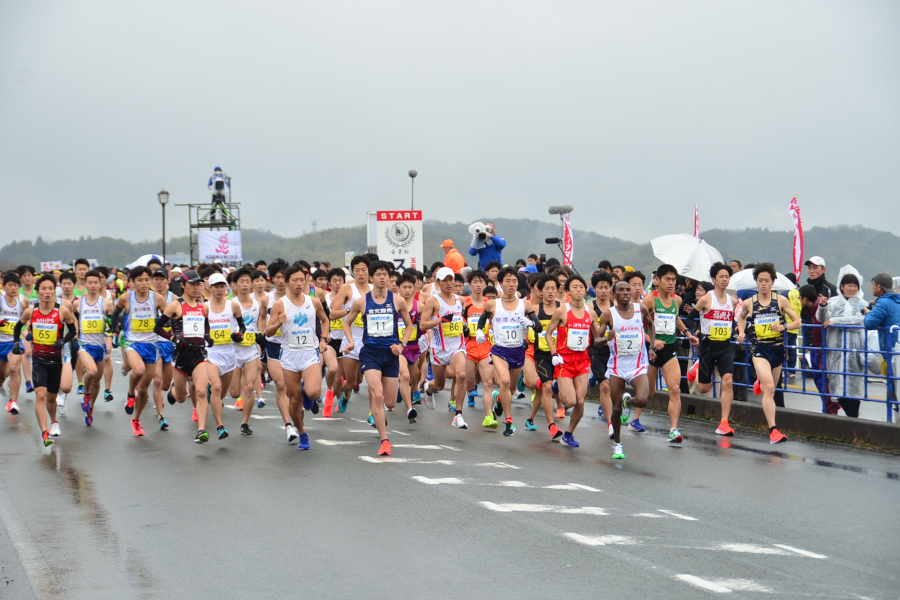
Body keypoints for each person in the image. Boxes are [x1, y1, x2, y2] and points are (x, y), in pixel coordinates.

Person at [343, 261, 413, 456]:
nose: (383, 278)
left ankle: (381, 415)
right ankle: (384, 440)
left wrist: (402, 345)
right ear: (371, 278)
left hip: (390, 354)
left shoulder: (397, 300)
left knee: (390, 403)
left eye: (385, 274)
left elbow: (409, 326)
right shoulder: (361, 301)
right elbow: (347, 324)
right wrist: (350, 342)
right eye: (379, 274)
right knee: (377, 394)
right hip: (370, 353)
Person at [265, 265, 329, 451]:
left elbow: (325, 320)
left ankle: (306, 391)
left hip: (309, 353)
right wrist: (278, 322)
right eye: (295, 280)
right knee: (293, 401)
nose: (300, 283)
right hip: (289, 355)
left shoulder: (313, 302)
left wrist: (323, 338)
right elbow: (268, 332)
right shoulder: (280, 304)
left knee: (314, 393)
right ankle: (302, 432)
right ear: (287, 282)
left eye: (302, 279)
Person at [737, 263, 801, 444]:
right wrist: (741, 333)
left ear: (773, 282)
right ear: (756, 282)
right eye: (760, 280)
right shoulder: (750, 302)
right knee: (770, 388)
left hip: (777, 349)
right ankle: (773, 430)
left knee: (770, 389)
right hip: (759, 349)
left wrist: (784, 326)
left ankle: (760, 380)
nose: (763, 283)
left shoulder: (781, 300)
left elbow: (798, 322)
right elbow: (741, 317)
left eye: (766, 280)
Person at [12, 274, 78, 446]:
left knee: (51, 398)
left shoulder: (62, 311)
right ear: (38, 291)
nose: (47, 292)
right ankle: (44, 432)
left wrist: (63, 341)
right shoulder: (31, 311)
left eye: (51, 288)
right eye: (43, 288)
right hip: (39, 361)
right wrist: (17, 342)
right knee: (40, 395)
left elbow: (72, 331)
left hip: (57, 360)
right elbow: (18, 326)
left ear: (54, 291)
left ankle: (54, 421)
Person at [476, 267, 541, 437]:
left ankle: (499, 399)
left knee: (510, 390)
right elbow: (482, 320)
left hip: (518, 351)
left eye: (514, 281)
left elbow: (539, 327)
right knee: (504, 381)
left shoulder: (525, 304)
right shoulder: (492, 304)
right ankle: (509, 421)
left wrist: (529, 323)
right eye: (508, 281)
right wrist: (479, 332)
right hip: (499, 350)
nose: (511, 284)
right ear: (501, 284)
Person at [596, 281, 655, 460]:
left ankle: (628, 402)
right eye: (621, 290)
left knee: (643, 400)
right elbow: (596, 341)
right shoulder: (609, 315)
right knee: (615, 409)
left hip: (638, 365)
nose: (626, 292)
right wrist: (607, 337)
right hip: (618, 367)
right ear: (614, 295)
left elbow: (651, 326)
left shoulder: (641, 309)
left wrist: (651, 346)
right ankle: (617, 444)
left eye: (628, 289)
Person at [110, 266, 168, 436]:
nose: (144, 283)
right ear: (132, 282)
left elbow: (168, 318)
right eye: (140, 280)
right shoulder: (126, 298)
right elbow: (114, 315)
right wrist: (114, 331)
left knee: (144, 390)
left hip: (152, 345)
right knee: (139, 370)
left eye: (146, 279)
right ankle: (130, 393)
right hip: (133, 344)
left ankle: (136, 419)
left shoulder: (157, 299)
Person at [643, 264, 696, 444]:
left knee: (674, 389)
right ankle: (630, 402)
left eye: (674, 279)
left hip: (669, 349)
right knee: (648, 394)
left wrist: (688, 334)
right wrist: (652, 341)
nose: (671, 283)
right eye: (668, 279)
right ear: (657, 280)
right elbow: (636, 327)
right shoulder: (649, 301)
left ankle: (673, 430)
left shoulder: (677, 300)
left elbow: (675, 318)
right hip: (651, 351)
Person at [544, 275, 597, 447]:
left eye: (581, 287)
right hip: (564, 361)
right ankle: (556, 386)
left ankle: (568, 434)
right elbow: (548, 333)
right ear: (568, 291)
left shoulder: (591, 313)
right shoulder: (561, 311)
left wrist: (609, 338)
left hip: (582, 361)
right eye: (574, 287)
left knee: (580, 402)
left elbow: (597, 338)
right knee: (571, 402)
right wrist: (553, 353)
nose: (579, 290)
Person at [689, 262, 738, 435]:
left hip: (725, 346)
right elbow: (690, 318)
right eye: (721, 277)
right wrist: (697, 333)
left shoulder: (732, 301)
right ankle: (695, 370)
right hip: (708, 346)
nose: (725, 280)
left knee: (728, 381)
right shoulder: (706, 299)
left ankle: (724, 422)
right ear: (714, 279)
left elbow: (734, 321)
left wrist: (736, 331)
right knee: (704, 388)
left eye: (727, 277)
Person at [421, 267, 469, 428]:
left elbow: (459, 320)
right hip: (439, 349)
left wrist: (464, 326)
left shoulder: (459, 300)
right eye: (445, 280)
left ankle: (459, 414)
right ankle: (428, 388)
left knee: (461, 375)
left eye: (451, 279)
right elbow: (422, 325)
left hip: (457, 347)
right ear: (438, 282)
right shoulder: (433, 301)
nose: (449, 283)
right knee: (440, 385)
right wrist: (440, 320)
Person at [817, 274, 868, 418]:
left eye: (855, 286)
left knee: (854, 388)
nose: (852, 288)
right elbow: (822, 318)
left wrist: (834, 321)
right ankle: (852, 418)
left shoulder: (862, 303)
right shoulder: (833, 302)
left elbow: (858, 320)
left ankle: (853, 420)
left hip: (854, 350)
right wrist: (823, 306)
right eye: (849, 285)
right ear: (842, 286)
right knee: (837, 387)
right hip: (836, 350)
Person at [76, 269, 115, 427]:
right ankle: (86, 395)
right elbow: (72, 324)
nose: (92, 285)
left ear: (100, 284)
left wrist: (109, 340)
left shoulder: (106, 304)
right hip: (84, 345)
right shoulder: (78, 304)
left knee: (97, 381)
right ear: (85, 284)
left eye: (95, 282)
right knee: (91, 372)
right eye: (89, 282)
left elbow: (110, 327)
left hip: (99, 346)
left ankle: (90, 409)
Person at [863, 272, 900, 410]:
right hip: (897, 346)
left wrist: (868, 312)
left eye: (873, 285)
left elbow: (869, 323)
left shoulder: (883, 303)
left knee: (894, 389)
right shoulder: (897, 300)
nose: (872, 288)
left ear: (879, 286)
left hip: (891, 350)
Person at [0, 272, 25, 416]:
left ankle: (13, 402)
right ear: (4, 286)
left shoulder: (22, 305)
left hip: (14, 342)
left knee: (15, 368)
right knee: (1, 376)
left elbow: (25, 321)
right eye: (10, 285)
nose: (13, 288)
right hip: (0, 343)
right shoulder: (0, 302)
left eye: (16, 285)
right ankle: (2, 383)